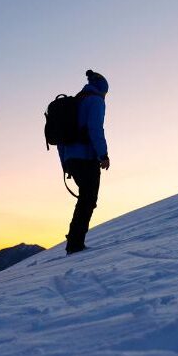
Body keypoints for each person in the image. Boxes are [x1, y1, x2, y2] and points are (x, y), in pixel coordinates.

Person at [58, 70, 110, 254]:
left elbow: (61, 140)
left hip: (71, 158)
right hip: (87, 157)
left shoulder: (75, 102)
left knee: (85, 198)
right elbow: (95, 128)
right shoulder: (95, 100)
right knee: (88, 198)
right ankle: (75, 242)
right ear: (103, 89)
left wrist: (65, 163)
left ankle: (75, 239)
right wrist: (103, 154)